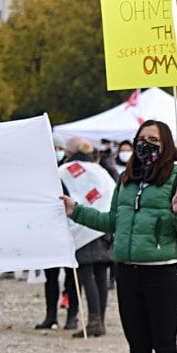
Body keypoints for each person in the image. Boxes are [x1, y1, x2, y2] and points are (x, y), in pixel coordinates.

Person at [61, 120, 177, 353]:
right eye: (141, 139)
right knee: (137, 346)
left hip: (164, 272)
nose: (145, 144)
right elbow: (112, 220)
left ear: (166, 145)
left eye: (153, 139)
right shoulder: (126, 179)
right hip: (128, 272)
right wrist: (76, 211)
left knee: (164, 345)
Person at [61, 136, 115, 338]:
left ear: (70, 151)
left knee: (87, 275)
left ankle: (93, 321)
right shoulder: (99, 169)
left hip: (84, 225)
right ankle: (99, 320)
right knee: (101, 276)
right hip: (105, 226)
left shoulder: (66, 170)